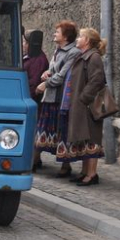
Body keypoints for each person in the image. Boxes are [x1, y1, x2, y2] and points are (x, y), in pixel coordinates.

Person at [34, 20, 81, 177]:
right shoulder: (58, 50)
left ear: (66, 36)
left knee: (62, 132)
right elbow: (53, 69)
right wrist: (46, 73)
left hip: (60, 99)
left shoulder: (73, 52)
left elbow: (62, 76)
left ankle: (65, 165)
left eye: (57, 32)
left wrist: (45, 84)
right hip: (50, 98)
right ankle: (35, 160)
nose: (54, 34)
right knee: (43, 131)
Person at [63, 27, 107, 186]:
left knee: (92, 139)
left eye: (80, 37)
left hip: (89, 106)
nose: (77, 39)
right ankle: (84, 172)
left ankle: (92, 174)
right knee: (84, 138)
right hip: (81, 105)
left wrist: (83, 98)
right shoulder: (83, 56)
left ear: (87, 41)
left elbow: (97, 80)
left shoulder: (93, 57)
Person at [22, 30, 49, 171]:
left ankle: (34, 160)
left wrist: (27, 98)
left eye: (25, 42)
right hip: (29, 98)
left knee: (33, 130)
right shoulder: (29, 57)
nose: (22, 44)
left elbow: (33, 82)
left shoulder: (38, 60)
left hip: (32, 99)